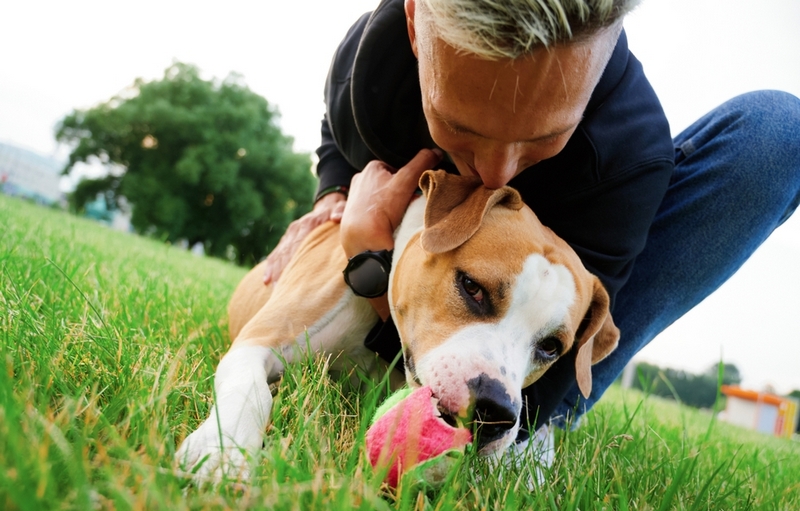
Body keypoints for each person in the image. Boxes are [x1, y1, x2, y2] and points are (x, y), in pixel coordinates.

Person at [262, 0, 800, 443]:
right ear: (414, 29)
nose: (495, 174)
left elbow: (527, 387)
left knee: (778, 133)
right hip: (431, 279)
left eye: (544, 138)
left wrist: (370, 264)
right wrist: (332, 194)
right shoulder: (374, 59)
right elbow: (338, 124)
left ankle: (545, 429)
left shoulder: (627, 160)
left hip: (550, 289)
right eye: (458, 126)